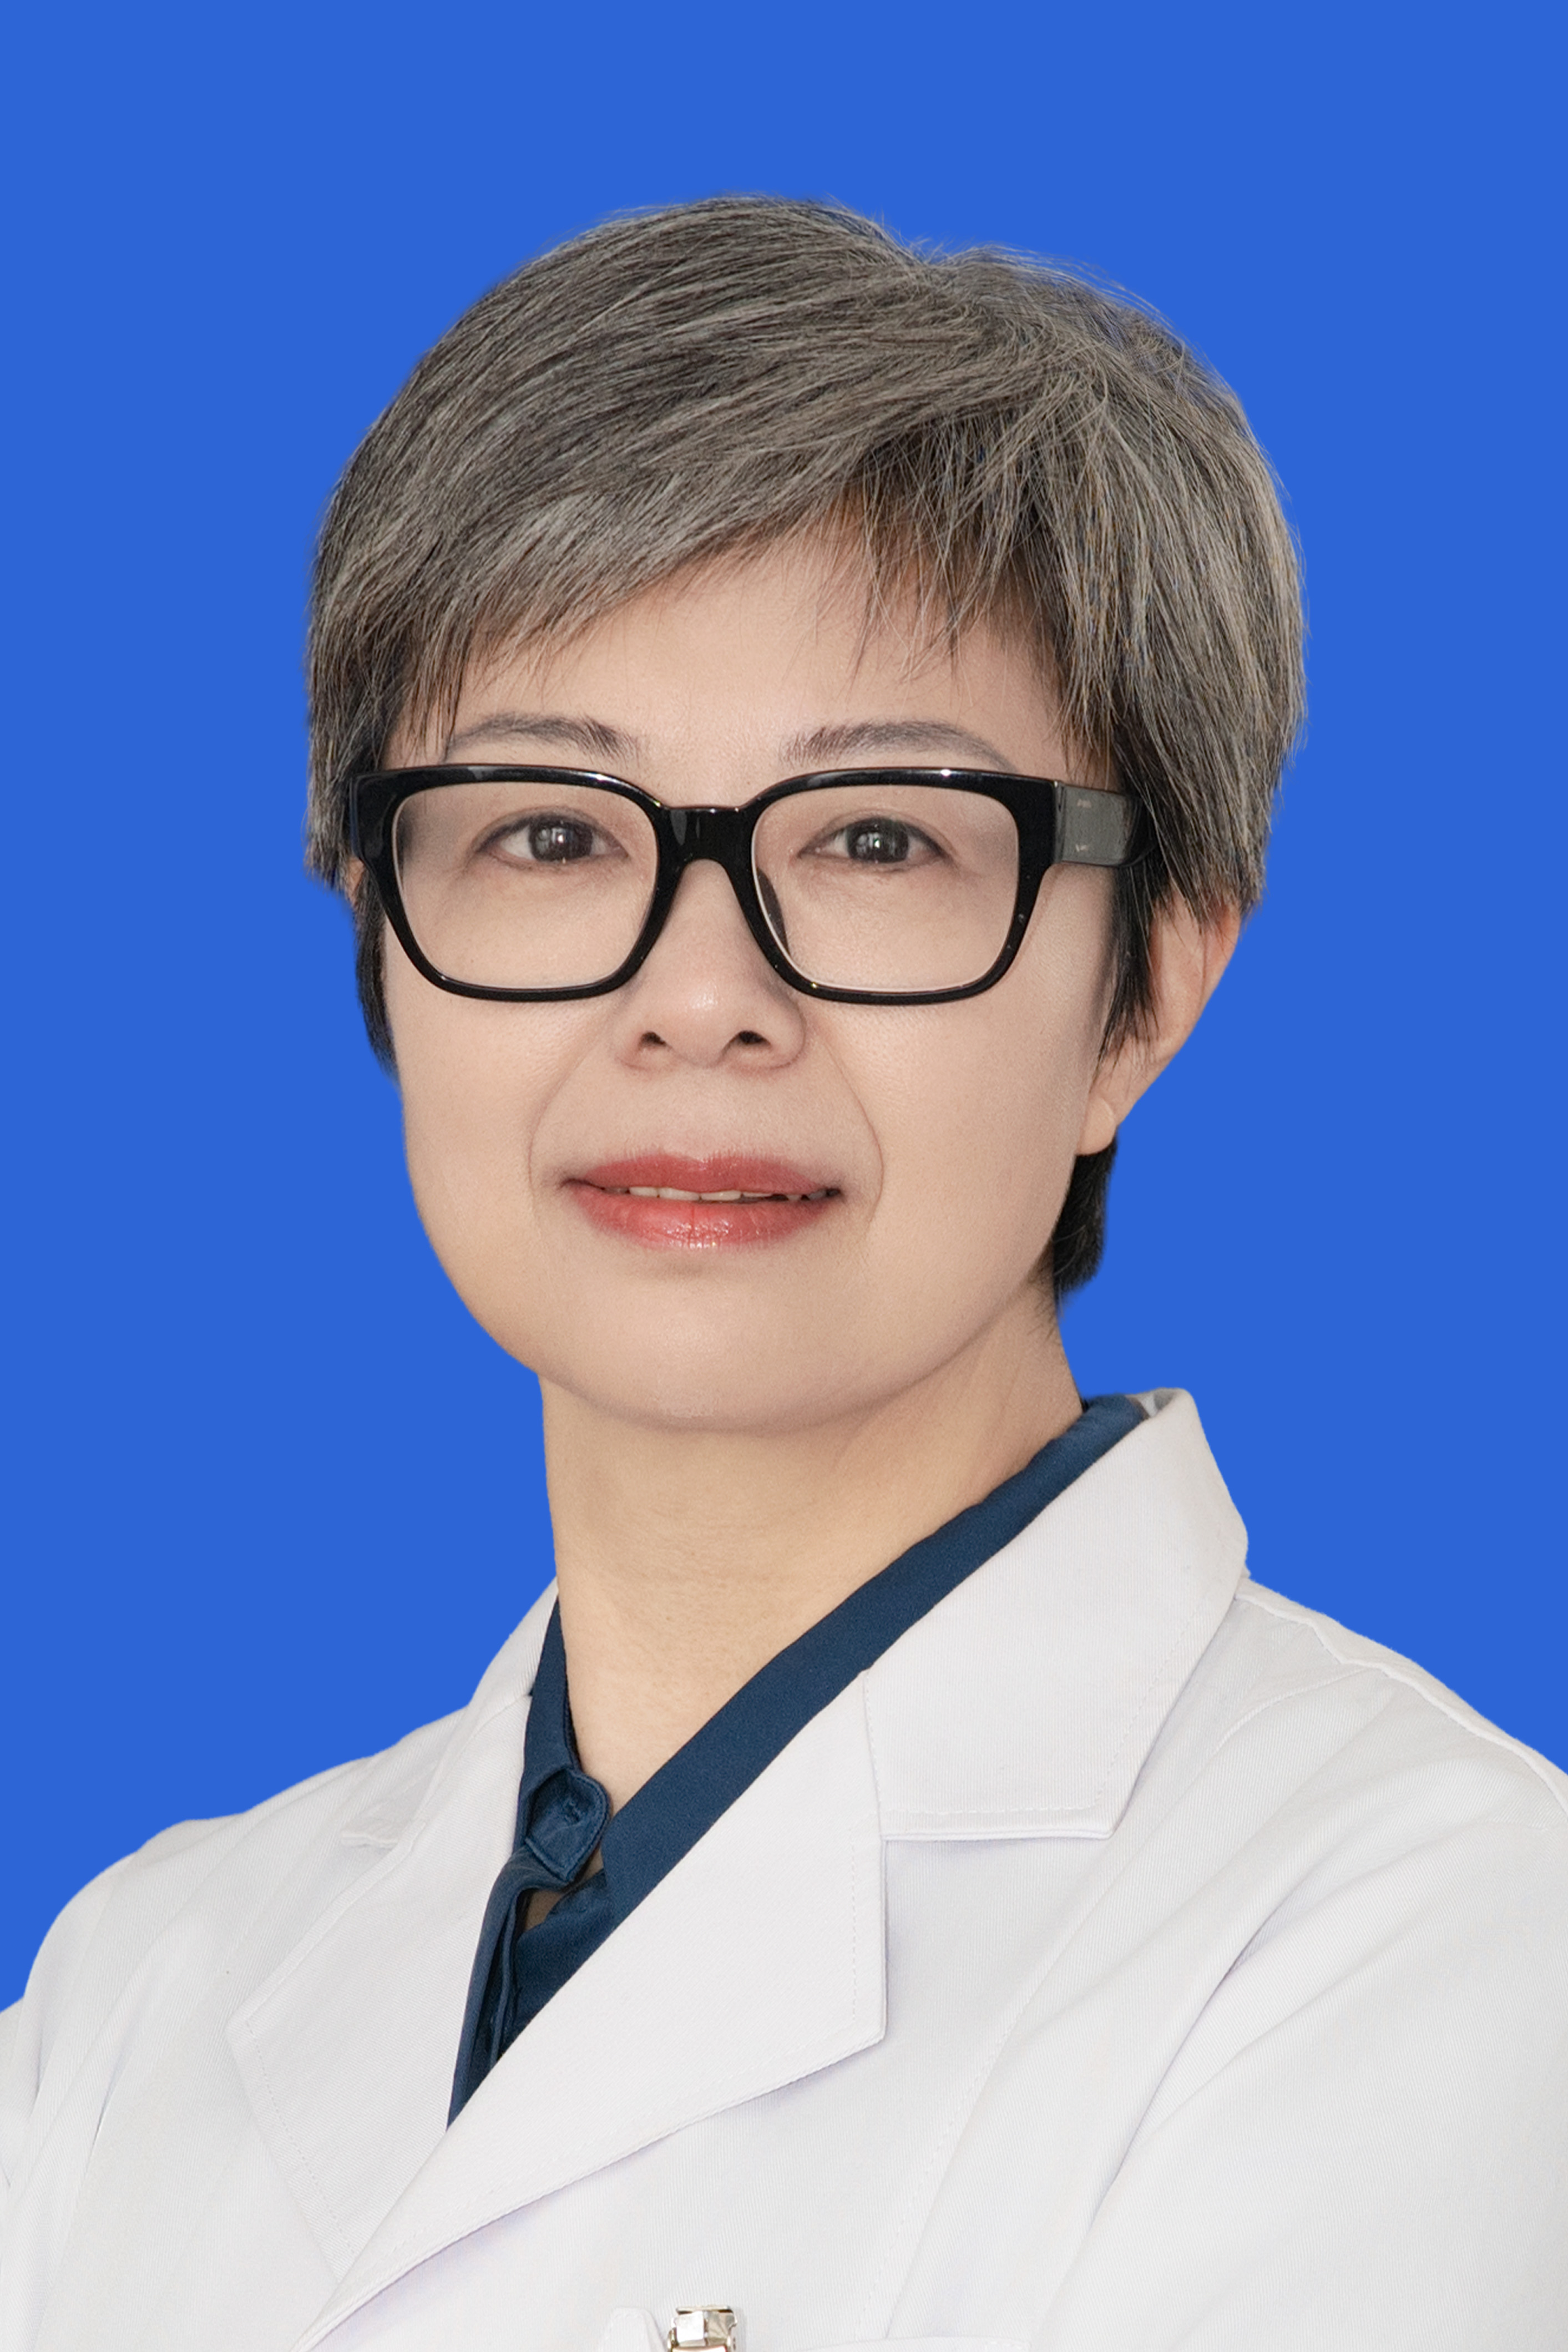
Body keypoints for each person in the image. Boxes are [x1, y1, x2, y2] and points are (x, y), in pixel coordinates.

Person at [1, 197, 1564, 2352]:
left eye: (878, 839)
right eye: (549, 831)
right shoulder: (138, 1990)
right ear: (377, 928)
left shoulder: (1433, 1948)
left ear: (1145, 988)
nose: (696, 1000)